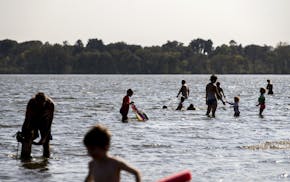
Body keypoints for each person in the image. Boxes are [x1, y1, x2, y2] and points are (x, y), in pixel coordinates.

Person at [20, 92, 54, 159]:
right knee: (27, 136)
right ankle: (26, 157)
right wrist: (24, 131)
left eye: (41, 104)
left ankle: (46, 159)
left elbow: (50, 121)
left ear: (45, 101)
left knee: (46, 141)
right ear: (35, 101)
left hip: (44, 120)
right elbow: (27, 118)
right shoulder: (31, 103)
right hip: (33, 119)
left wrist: (44, 137)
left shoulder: (50, 104)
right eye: (38, 104)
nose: (39, 106)